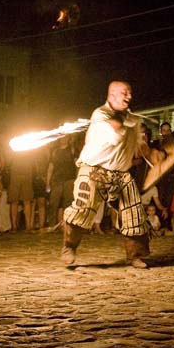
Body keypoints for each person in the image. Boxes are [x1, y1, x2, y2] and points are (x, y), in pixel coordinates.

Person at [61, 81, 157, 269]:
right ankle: (69, 246)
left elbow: (139, 146)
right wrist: (128, 120)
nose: (128, 96)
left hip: (121, 175)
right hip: (93, 170)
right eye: (124, 93)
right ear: (111, 96)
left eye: (130, 92)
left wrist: (155, 157)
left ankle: (134, 256)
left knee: (134, 215)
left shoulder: (133, 120)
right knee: (81, 210)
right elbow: (116, 129)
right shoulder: (101, 115)